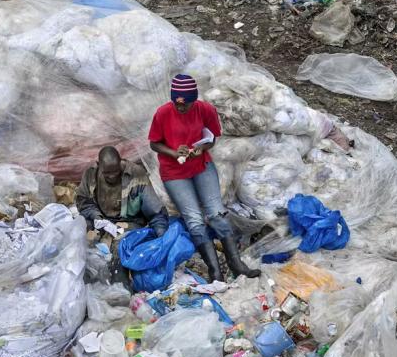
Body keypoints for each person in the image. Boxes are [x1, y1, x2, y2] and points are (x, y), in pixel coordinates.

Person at [148, 74, 260, 282]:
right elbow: (154, 143)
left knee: (217, 213)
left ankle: (236, 263)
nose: (181, 108)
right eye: (177, 104)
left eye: (186, 104)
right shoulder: (163, 113)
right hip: (174, 172)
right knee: (194, 219)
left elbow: (212, 138)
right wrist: (174, 153)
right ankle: (214, 270)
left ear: (193, 99)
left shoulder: (205, 110)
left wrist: (203, 147)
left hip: (201, 165)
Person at [76, 146, 169, 237]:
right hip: (101, 220)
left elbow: (155, 212)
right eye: (107, 173)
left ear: (120, 162)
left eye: (116, 171)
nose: (112, 176)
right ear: (99, 165)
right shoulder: (91, 175)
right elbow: (84, 204)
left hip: (129, 223)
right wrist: (97, 217)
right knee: (80, 232)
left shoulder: (136, 174)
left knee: (123, 244)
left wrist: (161, 235)